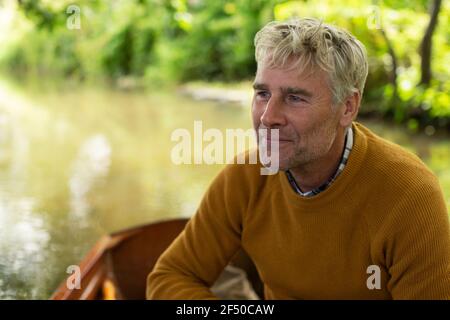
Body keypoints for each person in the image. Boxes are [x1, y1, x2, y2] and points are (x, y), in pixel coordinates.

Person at [147, 18, 450, 299]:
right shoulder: (245, 177)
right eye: (262, 93)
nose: (268, 117)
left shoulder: (409, 195)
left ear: (347, 107)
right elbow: (170, 276)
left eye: (295, 98)